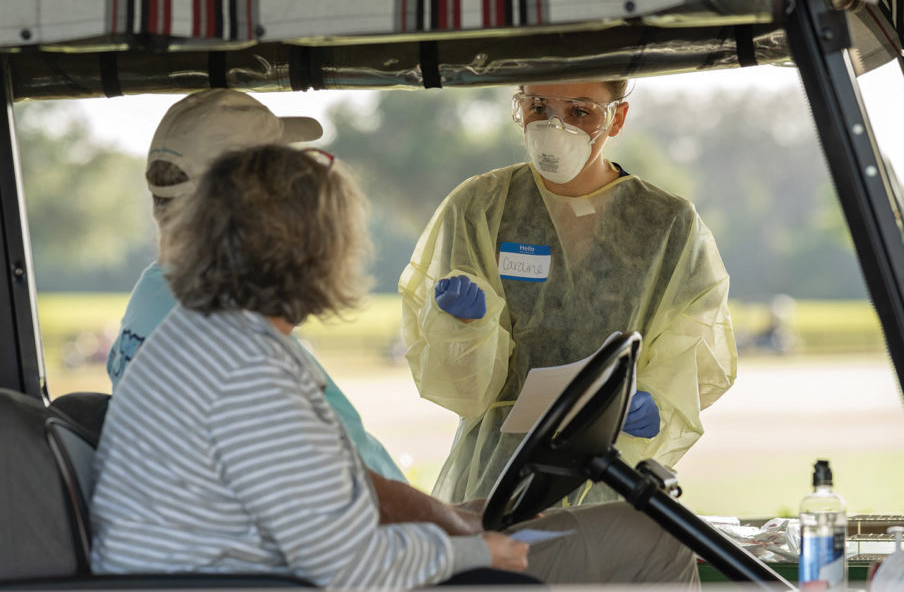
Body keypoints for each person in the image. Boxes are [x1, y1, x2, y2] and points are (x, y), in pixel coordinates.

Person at [90, 144, 699, 587]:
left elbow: (331, 495)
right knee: (661, 542)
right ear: (318, 254)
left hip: (254, 572)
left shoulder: (207, 338)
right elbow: (349, 565)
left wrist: (458, 518)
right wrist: (475, 552)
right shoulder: (247, 372)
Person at [399, 80, 738, 505]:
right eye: (538, 107)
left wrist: (659, 402)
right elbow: (464, 392)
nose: (555, 127)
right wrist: (465, 329)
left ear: (617, 118)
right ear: (518, 108)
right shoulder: (481, 208)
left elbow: (694, 351)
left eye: (581, 112)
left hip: (610, 471)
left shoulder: (666, 223)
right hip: (498, 473)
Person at [105, 88, 406, 484]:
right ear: (247, 197)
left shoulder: (156, 295)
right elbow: (339, 494)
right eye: (285, 174)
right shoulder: (232, 339)